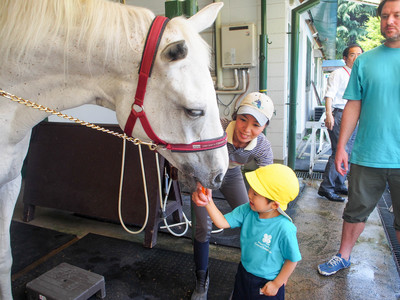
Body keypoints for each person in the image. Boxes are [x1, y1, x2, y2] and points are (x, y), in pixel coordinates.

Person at [318, 0, 400, 276]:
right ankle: (343, 256)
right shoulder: (365, 61)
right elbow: (352, 104)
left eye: (397, 15)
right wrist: (341, 147)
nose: (390, 21)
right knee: (355, 210)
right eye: (385, 15)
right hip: (368, 153)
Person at [191, 92, 275, 299]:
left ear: (264, 127)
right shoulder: (216, 128)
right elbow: (195, 156)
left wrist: (265, 206)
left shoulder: (263, 146)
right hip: (204, 170)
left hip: (232, 173)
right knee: (203, 225)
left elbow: (268, 183)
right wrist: (202, 181)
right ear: (235, 116)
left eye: (256, 125)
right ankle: (201, 278)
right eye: (243, 120)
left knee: (253, 220)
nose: (246, 130)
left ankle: (247, 277)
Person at [192, 164, 301, 299]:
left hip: (267, 281)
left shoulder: (285, 228)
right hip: (244, 272)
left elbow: (292, 259)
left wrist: (277, 283)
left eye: (255, 194)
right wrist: (208, 202)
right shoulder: (247, 210)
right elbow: (221, 222)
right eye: (251, 189)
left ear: (274, 205)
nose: (249, 194)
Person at [318, 44, 363, 202]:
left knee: (347, 152)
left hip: (353, 116)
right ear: (345, 58)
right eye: (352, 55)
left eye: (359, 54)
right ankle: (326, 187)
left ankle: (338, 183)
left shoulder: (358, 74)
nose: (356, 57)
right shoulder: (339, 73)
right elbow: (329, 95)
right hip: (339, 114)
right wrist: (329, 115)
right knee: (339, 150)